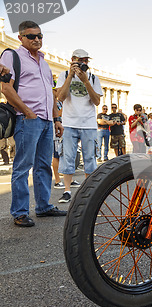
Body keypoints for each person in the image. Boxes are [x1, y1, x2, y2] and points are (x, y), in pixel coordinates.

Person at [0, 20, 66, 227]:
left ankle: (43, 206)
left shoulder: (45, 63)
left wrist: (57, 118)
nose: (37, 39)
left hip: (46, 121)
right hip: (27, 119)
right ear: (20, 38)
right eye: (31, 36)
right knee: (23, 166)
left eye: (40, 36)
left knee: (44, 166)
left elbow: (51, 95)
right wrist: (27, 111)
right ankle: (19, 212)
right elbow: (5, 88)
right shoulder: (12, 56)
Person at [56, 49, 103, 203]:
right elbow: (60, 97)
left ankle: (88, 192)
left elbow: (96, 101)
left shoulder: (93, 78)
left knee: (90, 158)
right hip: (69, 122)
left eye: (86, 60)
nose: (84, 63)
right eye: (80, 60)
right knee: (68, 157)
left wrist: (86, 81)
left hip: (88, 123)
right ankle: (67, 190)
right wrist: (70, 75)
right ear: (72, 60)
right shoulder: (63, 75)